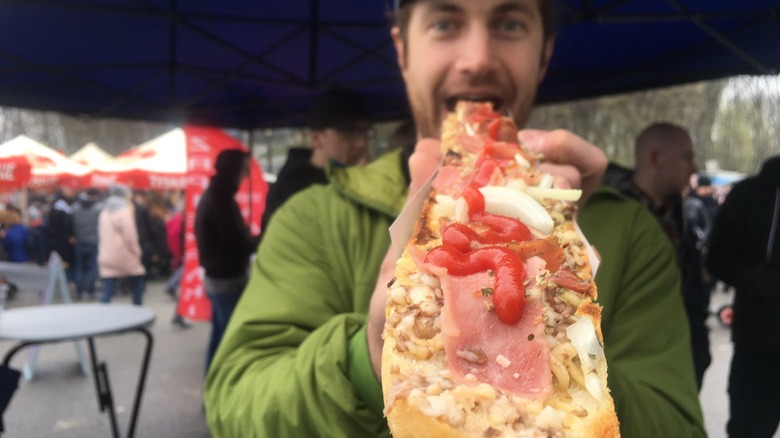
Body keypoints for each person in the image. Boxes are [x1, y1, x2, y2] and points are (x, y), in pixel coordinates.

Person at [204, 2, 706, 437]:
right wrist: (368, 357)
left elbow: (680, 425)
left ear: (544, 52)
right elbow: (233, 407)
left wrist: (569, 347)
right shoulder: (314, 216)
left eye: (509, 23)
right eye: (445, 22)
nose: (478, 59)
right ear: (403, 50)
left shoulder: (632, 231)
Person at [603, 122, 711, 391]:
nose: (694, 169)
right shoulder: (607, 215)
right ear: (655, 158)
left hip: (679, 353)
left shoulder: (677, 211)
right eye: (687, 156)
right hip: (633, 369)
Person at [706, 154, 780, 438]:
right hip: (760, 345)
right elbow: (717, 258)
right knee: (749, 429)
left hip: (757, 339)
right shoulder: (753, 193)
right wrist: (769, 283)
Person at [260, 87, 373, 231]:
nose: (361, 143)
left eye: (365, 132)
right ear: (316, 139)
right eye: (348, 132)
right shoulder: (290, 189)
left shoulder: (362, 178)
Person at [195, 149, 259, 371]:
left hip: (217, 277)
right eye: (244, 169)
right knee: (227, 339)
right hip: (226, 279)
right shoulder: (221, 199)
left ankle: (211, 388)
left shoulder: (215, 194)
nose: (247, 175)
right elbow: (235, 240)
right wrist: (261, 241)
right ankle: (218, 393)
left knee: (219, 335)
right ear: (234, 170)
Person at [98, 184, 146, 305]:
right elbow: (131, 236)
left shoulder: (104, 212)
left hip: (106, 255)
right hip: (124, 254)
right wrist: (136, 251)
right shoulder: (124, 212)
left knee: (108, 286)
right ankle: (137, 311)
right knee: (137, 280)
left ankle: (102, 311)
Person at [72, 188, 103, 300]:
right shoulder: (99, 208)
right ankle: (90, 290)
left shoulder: (75, 208)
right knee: (93, 267)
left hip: (79, 241)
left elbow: (72, 224)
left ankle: (79, 290)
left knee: (79, 267)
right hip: (94, 241)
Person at [47, 181, 78, 281]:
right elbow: (58, 224)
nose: (72, 192)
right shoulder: (60, 205)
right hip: (61, 240)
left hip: (62, 239)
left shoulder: (65, 203)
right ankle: (64, 281)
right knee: (63, 261)